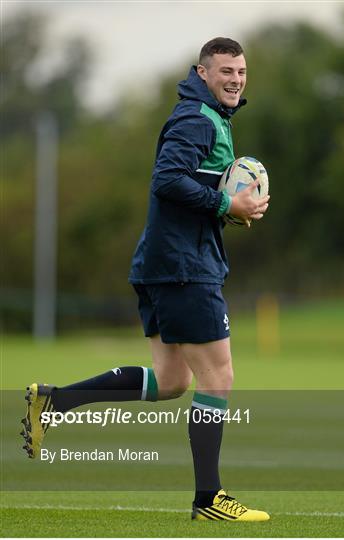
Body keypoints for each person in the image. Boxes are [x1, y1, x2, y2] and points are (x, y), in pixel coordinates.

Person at [21, 37, 270, 522]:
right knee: (218, 377)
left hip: (164, 264)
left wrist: (229, 209)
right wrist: (226, 204)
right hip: (183, 269)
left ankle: (55, 401)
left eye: (240, 71)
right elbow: (166, 179)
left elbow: (187, 185)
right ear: (202, 73)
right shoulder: (196, 118)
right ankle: (209, 499)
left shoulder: (211, 118)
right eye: (225, 72)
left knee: (174, 380)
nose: (235, 79)